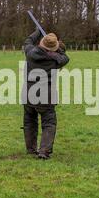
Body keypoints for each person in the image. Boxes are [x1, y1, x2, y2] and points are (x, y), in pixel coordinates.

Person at [23, 29, 70, 160]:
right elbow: (65, 57)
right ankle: (44, 151)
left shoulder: (30, 53)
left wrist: (38, 31)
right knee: (49, 122)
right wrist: (55, 49)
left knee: (29, 121)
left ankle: (31, 149)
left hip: (28, 94)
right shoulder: (56, 59)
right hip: (46, 95)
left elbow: (28, 41)